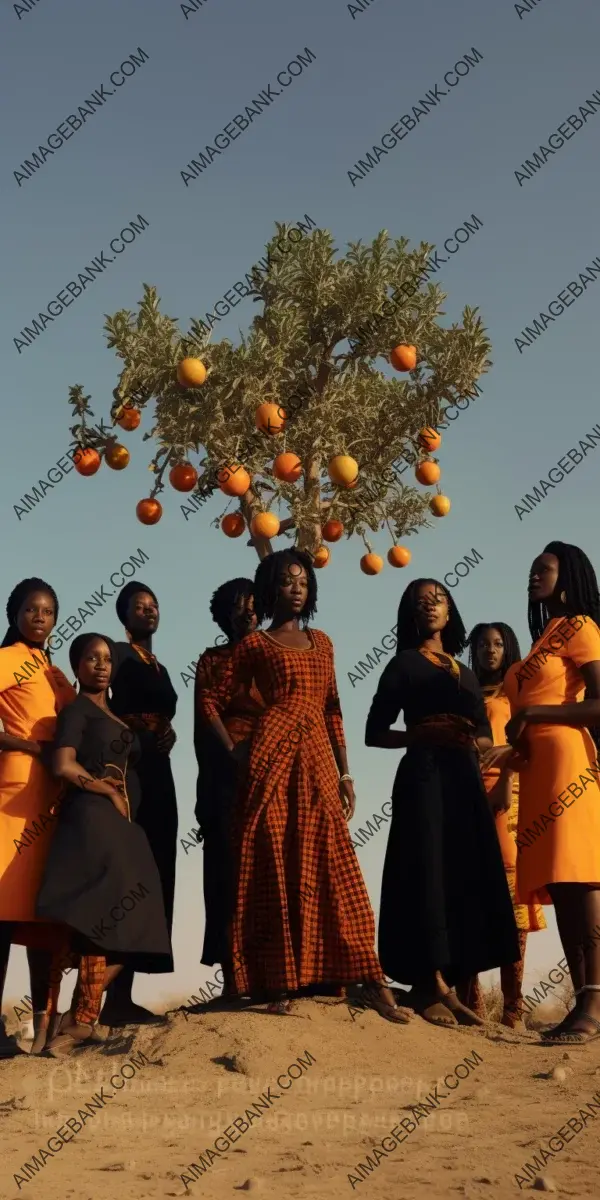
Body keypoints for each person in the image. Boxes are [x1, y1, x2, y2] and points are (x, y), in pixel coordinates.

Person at [198, 548, 412, 1022]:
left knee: (334, 859)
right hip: (269, 754)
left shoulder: (324, 642)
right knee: (271, 858)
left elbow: (333, 708)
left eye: (303, 581)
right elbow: (210, 698)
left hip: (315, 754)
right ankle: (278, 982)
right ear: (270, 588)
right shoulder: (255, 646)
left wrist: (346, 772)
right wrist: (235, 752)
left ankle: (370, 979)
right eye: (287, 580)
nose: (297, 587)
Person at [365, 579, 520, 1027]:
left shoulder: (465, 672)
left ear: (450, 612)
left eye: (438, 600)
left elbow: (481, 729)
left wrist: (487, 744)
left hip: (464, 780)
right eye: (420, 603)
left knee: (462, 873)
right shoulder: (403, 666)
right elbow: (374, 732)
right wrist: (417, 735)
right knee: (427, 870)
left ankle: (449, 986)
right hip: (424, 777)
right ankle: (426, 982)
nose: (430, 607)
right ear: (412, 616)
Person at [485, 542, 600, 1045]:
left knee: (582, 879)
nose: (534, 575)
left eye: (544, 569)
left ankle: (595, 1004)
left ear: (567, 575)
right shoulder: (541, 642)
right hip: (536, 772)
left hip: (570, 765)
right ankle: (583, 1003)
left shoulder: (580, 628)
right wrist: (505, 756)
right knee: (562, 889)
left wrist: (534, 715)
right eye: (531, 569)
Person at [36, 633, 172, 1053]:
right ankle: (78, 1022)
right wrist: (106, 790)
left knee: (134, 918)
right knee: (115, 915)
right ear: (76, 666)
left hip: (120, 825)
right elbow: (62, 763)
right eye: (91, 658)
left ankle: (78, 1017)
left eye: (107, 659)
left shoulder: (116, 717)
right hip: (92, 819)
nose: (101, 665)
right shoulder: (76, 710)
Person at [0, 578, 76, 1056]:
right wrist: (31, 746)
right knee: (3, 913)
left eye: (48, 611)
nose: (40, 618)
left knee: (44, 918)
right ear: (14, 613)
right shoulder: (6, 659)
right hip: (15, 794)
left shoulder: (53, 670)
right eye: (31, 609)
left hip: (54, 798)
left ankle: (43, 1028)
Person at [457, 623, 546, 1027]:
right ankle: (470, 1004)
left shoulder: (518, 690)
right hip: (464, 794)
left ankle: (513, 1008)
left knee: (512, 899)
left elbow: (527, 742)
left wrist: (507, 777)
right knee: (466, 896)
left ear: (508, 649)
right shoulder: (463, 688)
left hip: (507, 796)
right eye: (482, 644)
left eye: (497, 644)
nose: (489, 650)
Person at [101, 583, 178, 1026]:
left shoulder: (161, 666)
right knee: (128, 875)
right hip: (128, 769)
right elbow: (92, 697)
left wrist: (167, 730)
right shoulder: (114, 652)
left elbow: (162, 712)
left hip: (160, 771)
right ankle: (96, 998)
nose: (148, 611)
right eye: (139, 606)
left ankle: (122, 998)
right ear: (123, 615)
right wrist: (126, 726)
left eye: (154, 605)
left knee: (158, 870)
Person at [194, 578, 264, 994]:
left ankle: (279, 970)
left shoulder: (276, 653)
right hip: (225, 775)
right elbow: (205, 725)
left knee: (270, 867)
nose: (248, 612)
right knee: (226, 869)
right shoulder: (213, 660)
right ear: (224, 616)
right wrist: (210, 789)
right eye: (238, 607)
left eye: (253, 605)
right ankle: (233, 976)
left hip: (273, 771)